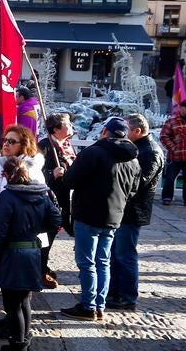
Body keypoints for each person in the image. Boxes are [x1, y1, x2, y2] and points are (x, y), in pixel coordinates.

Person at [0, 158, 61, 351]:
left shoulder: (9, 196)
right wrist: (35, 233)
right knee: (24, 301)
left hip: (13, 254)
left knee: (13, 304)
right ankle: (22, 347)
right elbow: (55, 220)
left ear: (7, 175)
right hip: (32, 252)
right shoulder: (41, 194)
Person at [59, 116, 140, 321]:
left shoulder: (93, 153)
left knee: (87, 262)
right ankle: (99, 305)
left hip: (88, 214)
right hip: (114, 216)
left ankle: (88, 306)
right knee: (103, 262)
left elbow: (70, 181)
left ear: (105, 131)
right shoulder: (133, 159)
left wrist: (63, 174)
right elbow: (133, 191)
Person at [108, 114, 165, 311]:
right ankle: (114, 290)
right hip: (123, 207)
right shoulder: (137, 148)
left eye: (127, 130)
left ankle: (127, 295)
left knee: (125, 254)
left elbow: (140, 182)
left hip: (133, 209)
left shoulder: (150, 151)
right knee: (116, 253)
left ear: (137, 131)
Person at [37, 112, 77, 286]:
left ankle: (42, 265)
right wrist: (50, 174)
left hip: (65, 200)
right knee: (44, 237)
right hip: (48, 202)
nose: (71, 127)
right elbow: (33, 173)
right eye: (67, 124)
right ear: (56, 129)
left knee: (53, 235)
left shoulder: (66, 145)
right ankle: (39, 268)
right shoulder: (44, 146)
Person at [0, 125, 44, 208]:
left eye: (12, 141)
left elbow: (33, 202)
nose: (6, 144)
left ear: (24, 145)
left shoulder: (30, 170)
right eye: (5, 140)